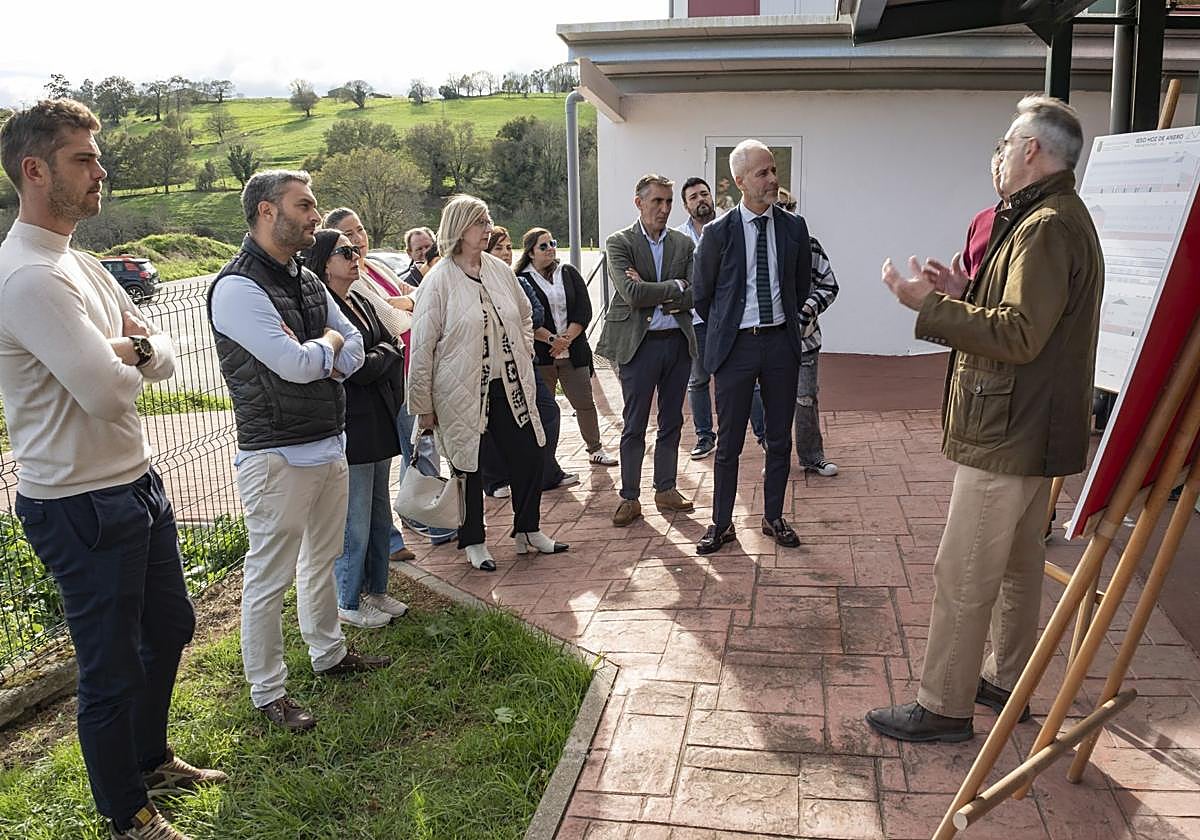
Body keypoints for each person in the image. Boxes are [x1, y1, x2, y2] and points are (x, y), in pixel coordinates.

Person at [0, 99, 224, 840]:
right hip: (79, 501)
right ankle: (126, 815)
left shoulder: (82, 263)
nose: (102, 171)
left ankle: (152, 757)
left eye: (98, 157)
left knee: (170, 625)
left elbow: (160, 355)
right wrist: (129, 353)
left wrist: (127, 351)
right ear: (34, 170)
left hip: (136, 480)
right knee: (110, 667)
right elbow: (102, 391)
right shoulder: (29, 277)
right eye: (83, 159)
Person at [868, 95, 1103, 743]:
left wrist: (928, 307)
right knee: (1018, 565)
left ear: (1031, 150)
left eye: (1005, 143)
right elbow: (1032, 320)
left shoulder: (1045, 225)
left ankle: (943, 705)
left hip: (1006, 428)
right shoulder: (1048, 217)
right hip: (1031, 425)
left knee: (966, 569)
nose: (997, 156)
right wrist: (962, 295)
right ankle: (1006, 682)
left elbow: (1022, 334)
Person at [209, 170, 390, 733]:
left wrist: (328, 348)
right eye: (305, 205)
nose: (317, 215)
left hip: (328, 444)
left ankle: (329, 653)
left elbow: (353, 350)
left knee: (321, 561)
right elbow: (298, 363)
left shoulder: (307, 281)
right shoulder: (238, 288)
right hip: (277, 457)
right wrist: (328, 346)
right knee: (269, 577)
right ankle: (268, 694)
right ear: (267, 211)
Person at [407, 195, 567, 572]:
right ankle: (474, 541)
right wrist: (423, 404)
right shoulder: (439, 280)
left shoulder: (498, 269)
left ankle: (528, 530)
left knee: (529, 453)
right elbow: (423, 345)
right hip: (458, 388)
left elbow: (525, 315)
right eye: (480, 221)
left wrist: (523, 351)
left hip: (509, 383)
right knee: (468, 465)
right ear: (460, 228)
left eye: (488, 220)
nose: (489, 227)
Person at [693, 140, 813, 554]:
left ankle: (773, 516)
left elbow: (799, 287)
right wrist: (727, 335)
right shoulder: (718, 233)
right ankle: (722, 524)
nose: (773, 179)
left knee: (779, 438)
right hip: (736, 350)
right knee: (728, 443)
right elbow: (703, 296)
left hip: (780, 343)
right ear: (740, 181)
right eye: (762, 173)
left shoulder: (794, 227)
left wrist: (786, 327)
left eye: (774, 169)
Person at [304, 229, 410, 629]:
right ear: (323, 263)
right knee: (356, 521)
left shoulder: (361, 300)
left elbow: (393, 343)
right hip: (353, 426)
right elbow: (359, 370)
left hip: (379, 421)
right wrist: (378, 357)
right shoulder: (323, 310)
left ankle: (377, 589)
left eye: (355, 250)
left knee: (380, 515)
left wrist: (376, 356)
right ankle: (348, 600)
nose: (355, 256)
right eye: (344, 252)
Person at [595, 174, 698, 528]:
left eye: (669, 202)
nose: (665, 209)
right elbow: (632, 294)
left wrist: (657, 288)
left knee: (672, 421)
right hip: (638, 348)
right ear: (639, 203)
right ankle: (630, 497)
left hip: (677, 344)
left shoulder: (683, 244)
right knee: (635, 423)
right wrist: (674, 287)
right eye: (657, 201)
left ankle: (665, 489)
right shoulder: (619, 242)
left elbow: (694, 293)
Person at [323, 207, 420, 563]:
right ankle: (399, 535)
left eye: (360, 231)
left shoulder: (374, 267)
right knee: (369, 490)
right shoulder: (351, 283)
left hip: (401, 377)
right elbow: (393, 322)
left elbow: (408, 300)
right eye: (348, 239)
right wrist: (409, 308)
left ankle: (416, 519)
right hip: (374, 393)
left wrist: (408, 303)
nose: (359, 241)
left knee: (409, 455)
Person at [480, 226, 578, 497]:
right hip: (491, 364)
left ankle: (545, 472)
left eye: (509, 247)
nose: (505, 253)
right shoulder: (479, 283)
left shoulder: (519, 282)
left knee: (548, 412)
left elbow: (535, 315)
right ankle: (496, 480)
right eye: (498, 248)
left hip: (523, 359)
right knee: (492, 422)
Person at [515, 227, 617, 468]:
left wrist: (566, 339)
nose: (551, 248)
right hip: (542, 356)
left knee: (584, 402)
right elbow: (524, 317)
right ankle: (545, 459)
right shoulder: (521, 279)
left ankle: (595, 448)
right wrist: (552, 340)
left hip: (574, 353)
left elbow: (584, 308)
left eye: (552, 243)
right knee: (544, 410)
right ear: (530, 253)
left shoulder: (568, 272)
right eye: (543, 246)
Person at [675, 177, 718, 460]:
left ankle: (764, 436)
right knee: (698, 381)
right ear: (686, 205)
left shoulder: (729, 227)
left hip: (730, 320)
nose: (700, 199)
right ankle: (705, 437)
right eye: (693, 197)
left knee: (745, 382)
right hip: (696, 323)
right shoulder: (678, 237)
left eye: (704, 194)